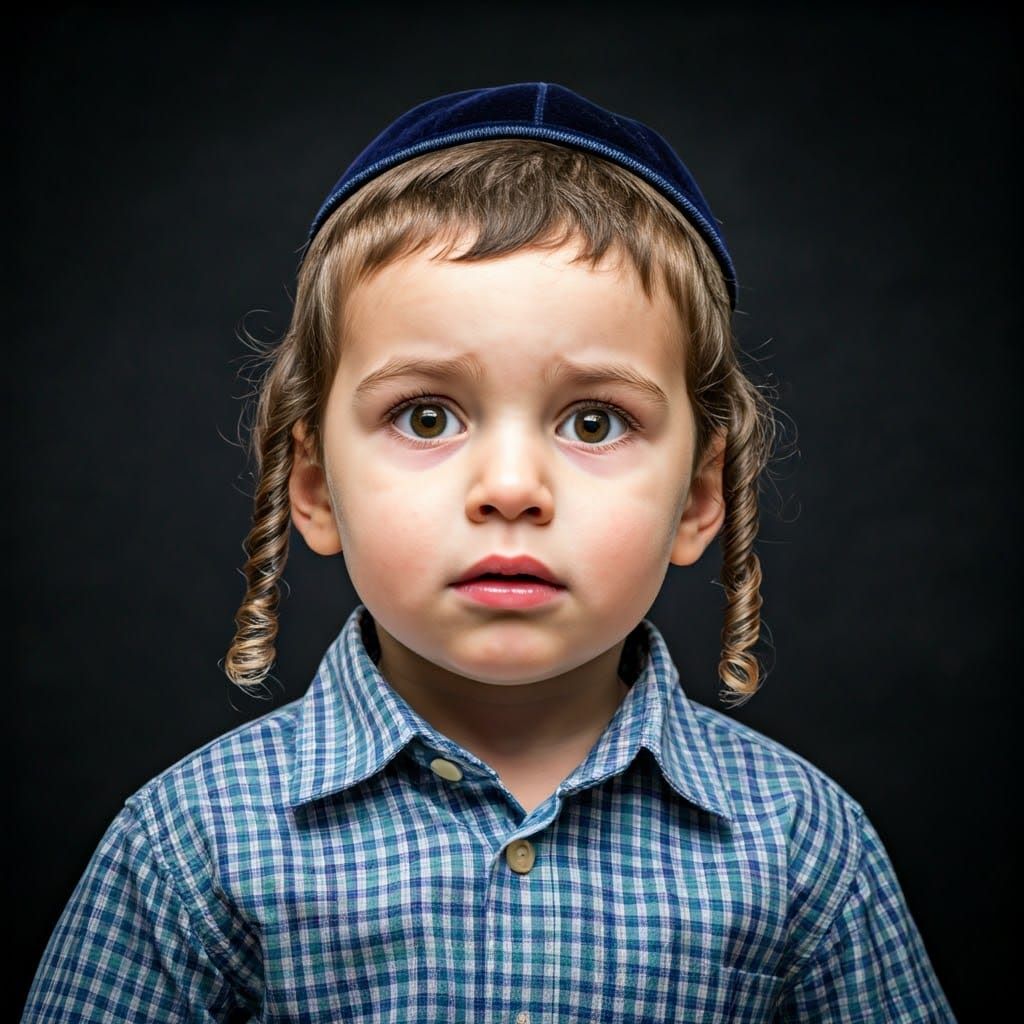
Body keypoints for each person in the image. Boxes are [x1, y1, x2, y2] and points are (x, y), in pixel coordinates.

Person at [21, 82, 956, 1022]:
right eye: (426, 416)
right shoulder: (194, 845)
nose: (511, 488)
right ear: (314, 487)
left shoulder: (800, 846)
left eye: (595, 421)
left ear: (699, 497)